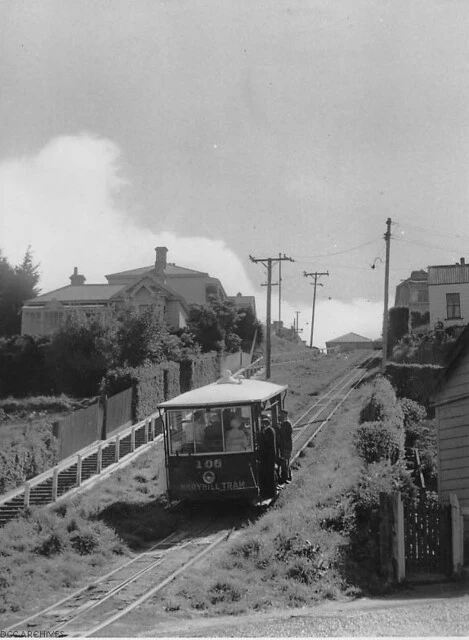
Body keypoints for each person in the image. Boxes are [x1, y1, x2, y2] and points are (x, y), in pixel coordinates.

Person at [259, 416, 277, 498]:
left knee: (269, 473)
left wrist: (261, 435)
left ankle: (270, 492)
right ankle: (269, 491)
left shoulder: (269, 431)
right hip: (269, 455)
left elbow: (266, 442)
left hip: (269, 455)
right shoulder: (270, 430)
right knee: (269, 473)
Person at [278, 409, 293, 484]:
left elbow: (284, 434)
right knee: (286, 461)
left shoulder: (286, 423)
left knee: (285, 461)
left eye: (282, 414)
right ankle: (288, 476)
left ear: (285, 415)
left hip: (286, 446)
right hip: (286, 445)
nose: (280, 416)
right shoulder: (285, 423)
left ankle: (285, 477)